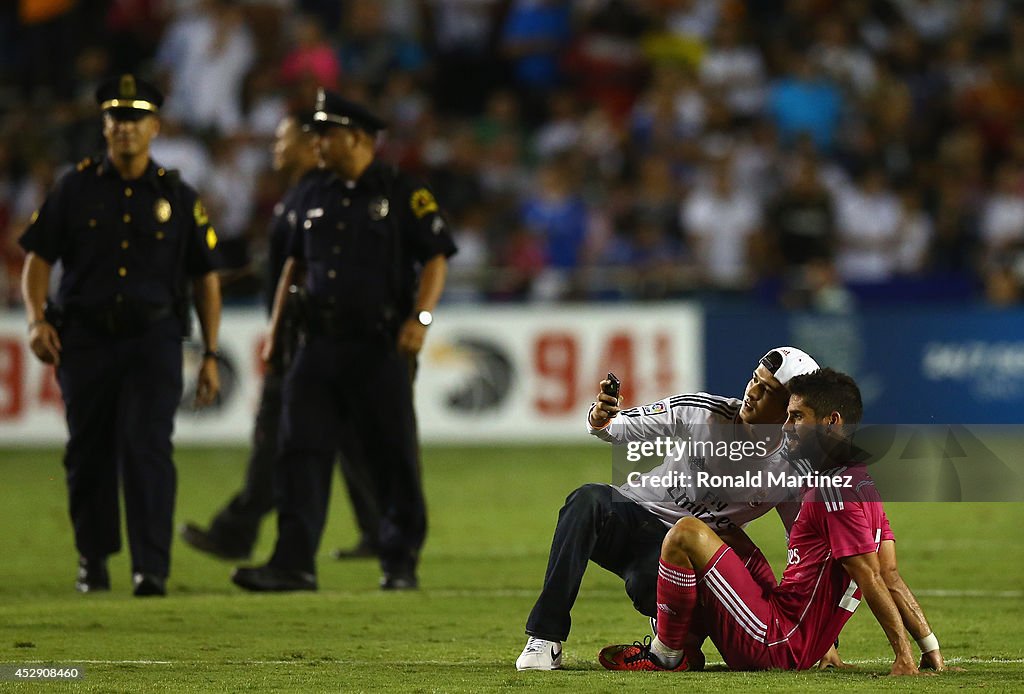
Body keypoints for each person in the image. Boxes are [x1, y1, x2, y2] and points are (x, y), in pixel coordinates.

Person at [230, 89, 456, 592]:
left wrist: (419, 318)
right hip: (317, 343)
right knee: (299, 449)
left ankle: (399, 561)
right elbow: (293, 263)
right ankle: (293, 563)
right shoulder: (312, 192)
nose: (317, 142)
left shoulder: (402, 191)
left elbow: (436, 256)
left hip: (380, 345)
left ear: (356, 137)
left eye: (325, 134)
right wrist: (273, 332)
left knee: (391, 453)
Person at [598, 368, 951, 674]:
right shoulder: (859, 481)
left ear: (831, 422)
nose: (786, 427)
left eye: (797, 417)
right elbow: (889, 573)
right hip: (798, 633)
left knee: (685, 532)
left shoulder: (829, 491)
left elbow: (870, 577)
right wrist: (929, 647)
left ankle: (667, 655)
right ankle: (687, 636)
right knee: (724, 533)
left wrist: (903, 657)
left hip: (776, 641)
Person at [19, 74, 223, 597]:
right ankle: (94, 559)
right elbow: (37, 257)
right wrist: (37, 319)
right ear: (104, 127)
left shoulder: (178, 195)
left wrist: (211, 353)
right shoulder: (74, 187)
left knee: (147, 446)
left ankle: (150, 568)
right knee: (88, 450)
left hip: (153, 340)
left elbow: (206, 277)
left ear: (155, 126)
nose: (125, 128)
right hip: (85, 341)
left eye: (135, 119)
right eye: (116, 118)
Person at [516, 347, 820, 671]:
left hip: (682, 555)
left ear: (791, 407)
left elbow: (802, 547)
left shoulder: (792, 468)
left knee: (648, 586)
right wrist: (601, 416)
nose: (752, 392)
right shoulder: (702, 411)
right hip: (635, 514)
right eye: (754, 380)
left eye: (768, 390)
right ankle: (544, 638)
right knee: (586, 501)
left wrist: (822, 638)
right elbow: (616, 427)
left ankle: (677, 642)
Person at [178, 113, 381, 561]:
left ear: (311, 145)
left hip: (302, 340)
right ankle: (383, 531)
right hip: (306, 337)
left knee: (278, 439)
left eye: (282, 138)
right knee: (346, 438)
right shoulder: (299, 195)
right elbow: (290, 261)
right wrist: (237, 279)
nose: (274, 146)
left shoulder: (316, 196)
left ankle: (238, 529)